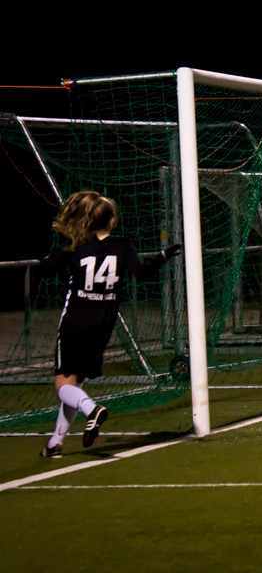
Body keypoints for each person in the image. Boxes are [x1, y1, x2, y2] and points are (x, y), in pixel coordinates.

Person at [39, 191, 181, 457]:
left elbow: (46, 269)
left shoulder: (76, 244)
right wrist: (162, 256)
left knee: (63, 387)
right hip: (102, 326)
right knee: (74, 386)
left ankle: (92, 409)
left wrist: (56, 251)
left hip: (75, 323)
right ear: (111, 220)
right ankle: (54, 444)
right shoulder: (122, 245)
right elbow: (141, 273)